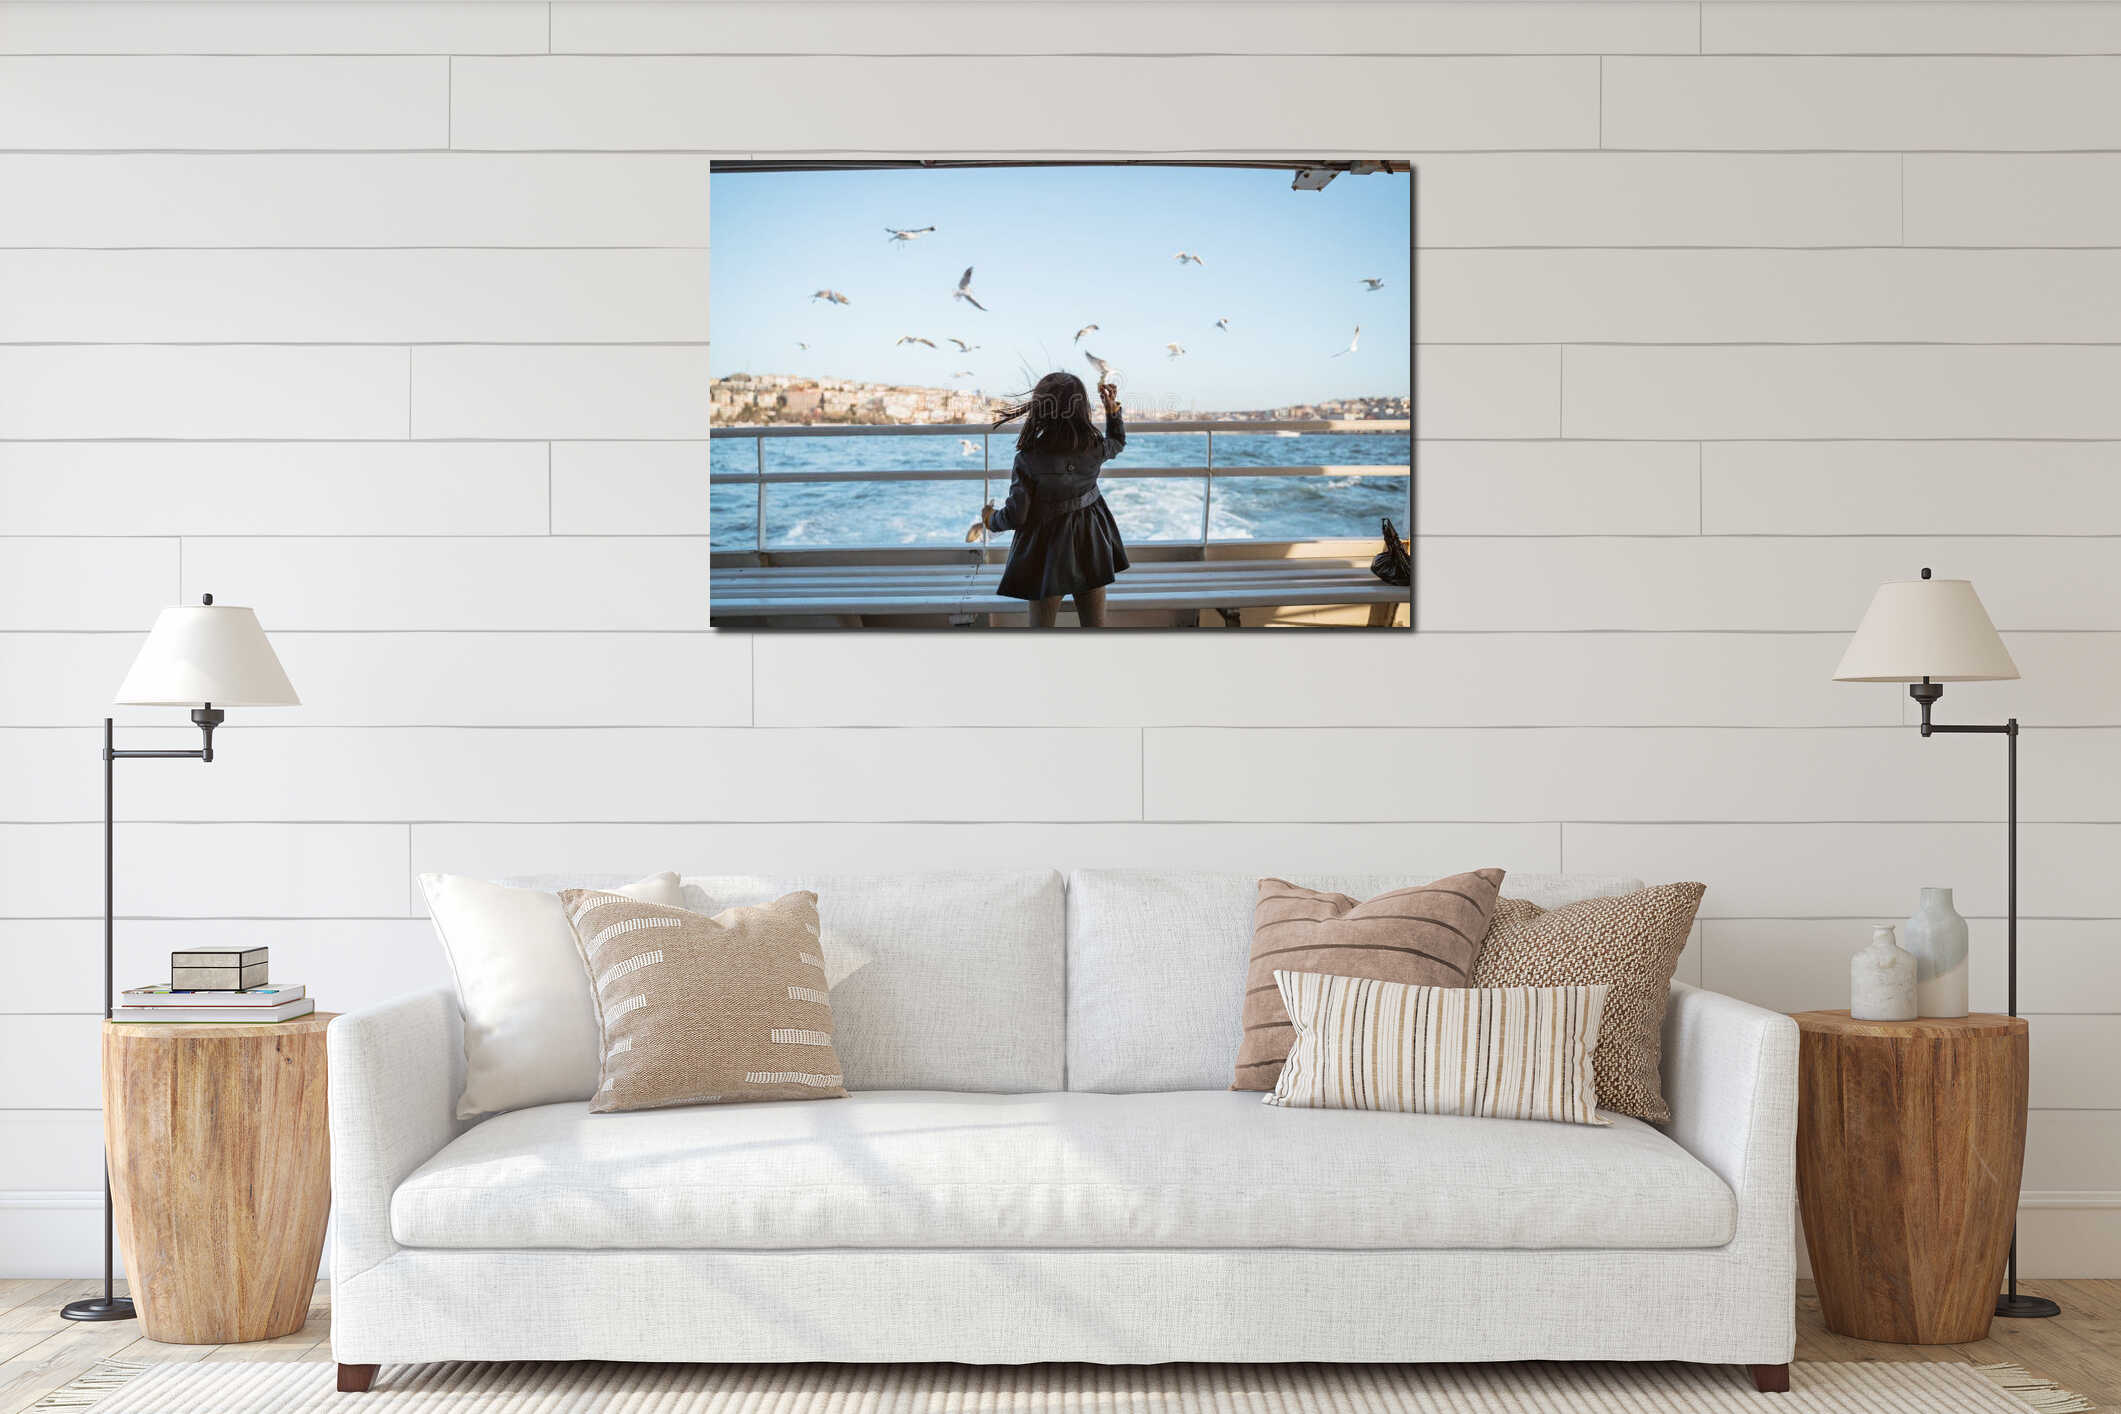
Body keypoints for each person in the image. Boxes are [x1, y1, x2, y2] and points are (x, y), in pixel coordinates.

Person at [967, 371, 1130, 628]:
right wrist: (1112, 411)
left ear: (1040, 409)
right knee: (1095, 627)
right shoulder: (1094, 446)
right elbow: (1117, 441)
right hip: (1091, 543)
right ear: (1081, 408)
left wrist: (990, 519)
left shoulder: (1029, 458)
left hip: (1047, 552)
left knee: (1041, 628)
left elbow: (1016, 515)